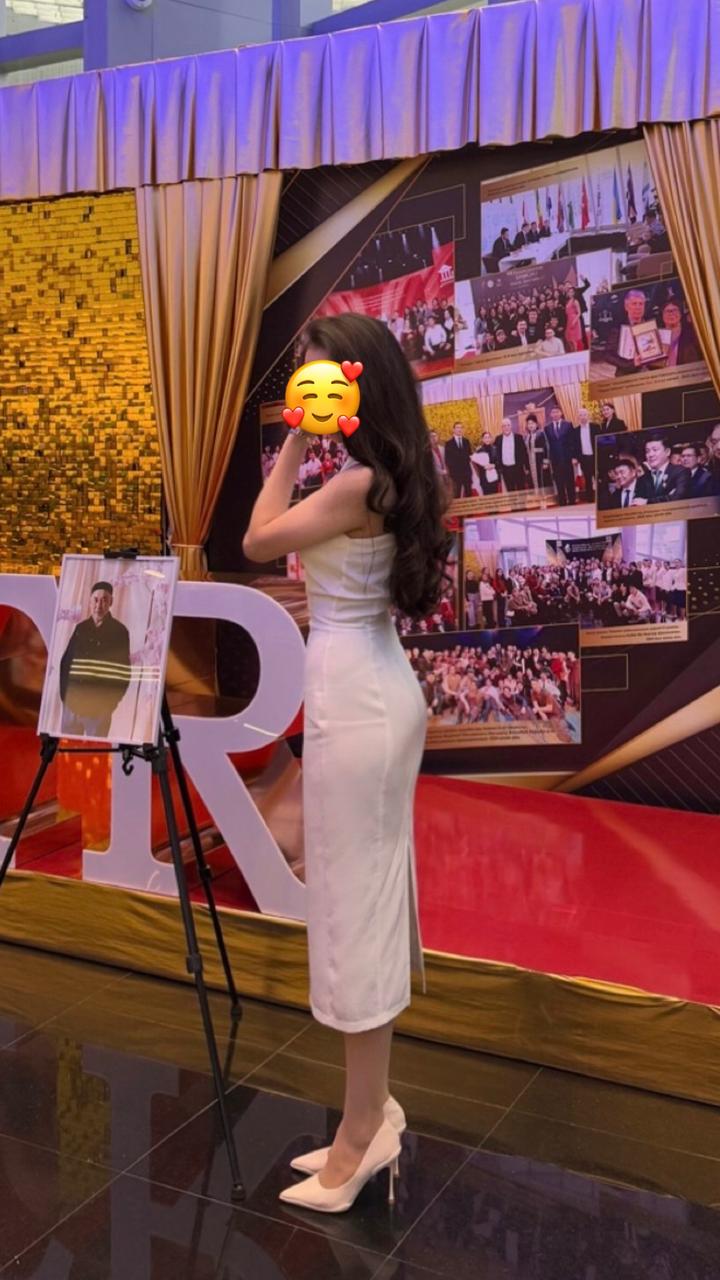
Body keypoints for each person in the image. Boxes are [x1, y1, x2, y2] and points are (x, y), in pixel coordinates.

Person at [243, 313, 452, 1214]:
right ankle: (371, 1110)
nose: (310, 391)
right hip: (367, 688)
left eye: (321, 378)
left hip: (358, 700)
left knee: (354, 909)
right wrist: (303, 437)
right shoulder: (383, 474)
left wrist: (292, 441)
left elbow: (256, 540)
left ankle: (363, 1130)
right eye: (304, 381)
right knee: (361, 899)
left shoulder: (360, 481)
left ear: (359, 384)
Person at [59, 581, 131, 739]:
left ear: (111, 602)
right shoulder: (81, 628)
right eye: (96, 600)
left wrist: (110, 704)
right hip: (72, 704)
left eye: (104, 600)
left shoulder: (119, 632)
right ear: (90, 601)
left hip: (99, 709)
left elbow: (123, 672)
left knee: (95, 749)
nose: (99, 605)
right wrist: (65, 697)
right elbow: (66, 663)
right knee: (67, 748)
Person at [635, 434, 691, 504]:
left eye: (655, 450)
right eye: (647, 451)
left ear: (667, 452)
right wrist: (668, 497)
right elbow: (637, 502)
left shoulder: (681, 472)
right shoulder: (642, 479)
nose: (650, 455)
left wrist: (647, 501)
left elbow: (678, 497)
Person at [545, 406, 576, 506]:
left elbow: (572, 442)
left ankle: (572, 500)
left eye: (557, 412)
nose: (555, 414)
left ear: (561, 413)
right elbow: (548, 445)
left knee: (569, 480)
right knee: (559, 481)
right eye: (553, 412)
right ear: (550, 415)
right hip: (555, 459)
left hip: (567, 458)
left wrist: (574, 457)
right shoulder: (547, 428)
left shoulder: (568, 425)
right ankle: (562, 501)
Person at [493, 418, 531, 492]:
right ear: (501, 428)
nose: (506, 427)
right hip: (505, 470)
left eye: (508, 425)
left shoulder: (518, 437)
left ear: (511, 426)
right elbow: (495, 454)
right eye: (504, 426)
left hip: (518, 468)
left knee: (521, 489)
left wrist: (527, 467)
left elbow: (524, 453)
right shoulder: (498, 439)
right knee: (510, 490)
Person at [572, 407, 601, 500]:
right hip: (584, 457)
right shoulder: (575, 430)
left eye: (584, 415)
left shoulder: (596, 427)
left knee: (598, 477)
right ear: (578, 417)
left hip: (595, 456)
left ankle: (601, 497)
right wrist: (575, 458)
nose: (583, 417)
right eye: (580, 415)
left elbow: (600, 442)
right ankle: (590, 498)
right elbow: (575, 446)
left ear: (588, 416)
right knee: (587, 478)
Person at [445, 421, 474, 498]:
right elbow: (447, 460)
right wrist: (453, 472)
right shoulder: (448, 443)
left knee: (469, 494)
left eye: (461, 427)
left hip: (467, 473)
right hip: (456, 475)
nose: (459, 429)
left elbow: (470, 456)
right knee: (456, 495)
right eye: (457, 427)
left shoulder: (466, 441)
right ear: (453, 429)